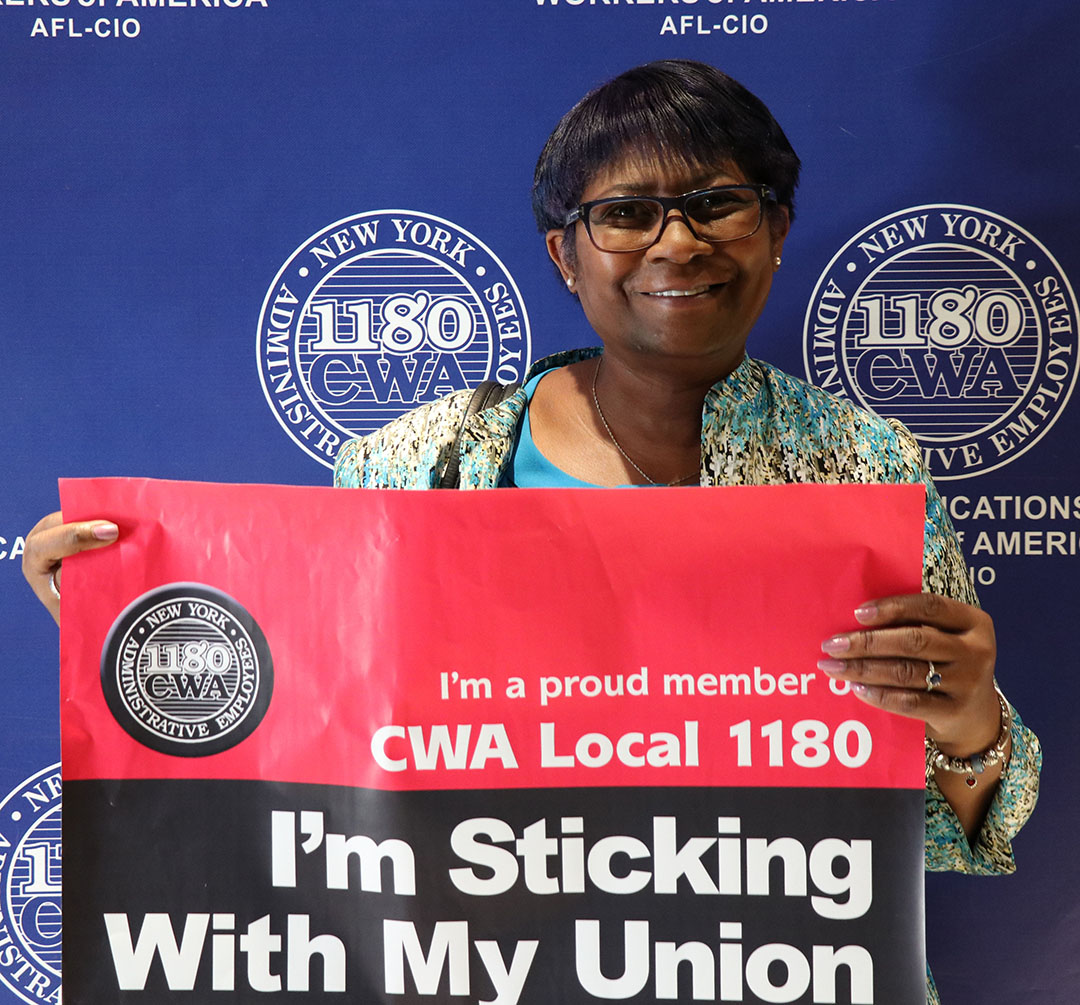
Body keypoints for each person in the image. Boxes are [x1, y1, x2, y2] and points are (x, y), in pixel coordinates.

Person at [23, 60, 1038, 1004]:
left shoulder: (866, 463)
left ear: (774, 229)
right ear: (566, 256)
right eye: (626, 214)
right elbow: (309, 759)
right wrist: (133, 612)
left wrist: (968, 725)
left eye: (717, 203)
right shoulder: (413, 463)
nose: (678, 243)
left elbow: (930, 834)